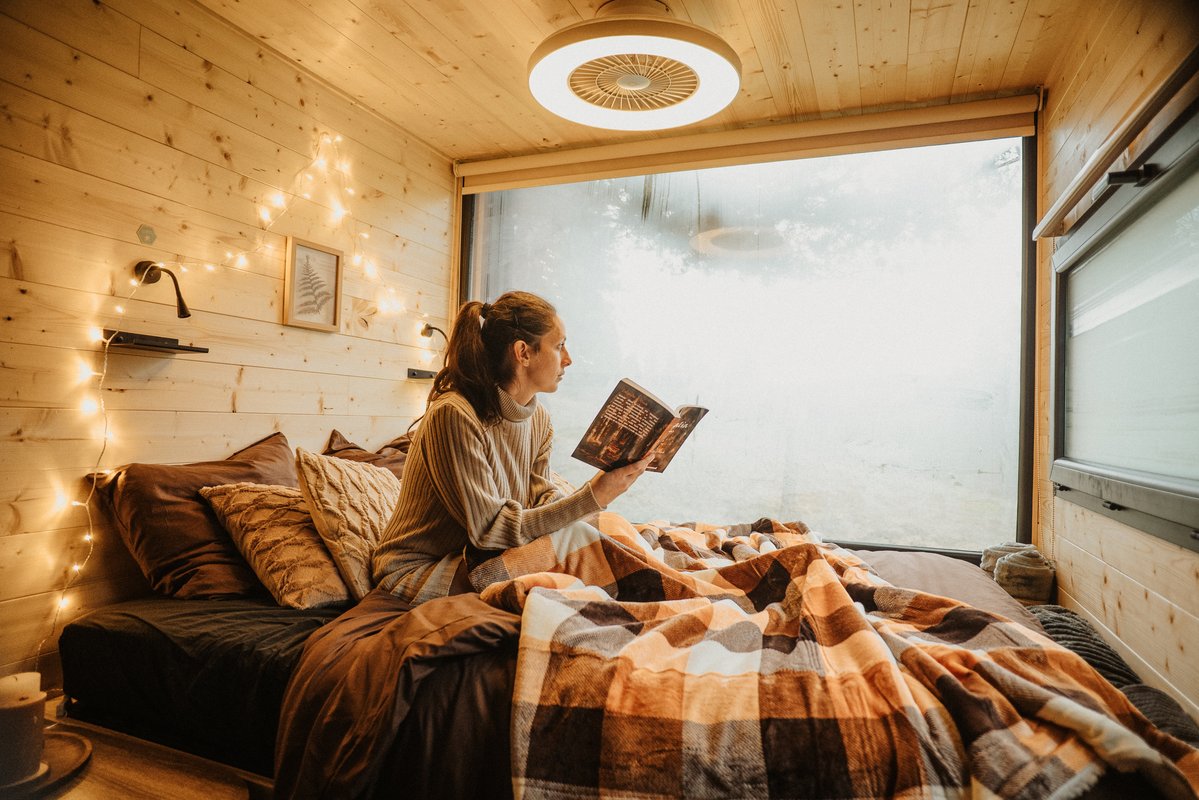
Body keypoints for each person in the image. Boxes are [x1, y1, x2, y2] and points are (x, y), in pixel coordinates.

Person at [373, 291, 652, 605]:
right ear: (523, 352)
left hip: (478, 557)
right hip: (421, 570)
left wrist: (595, 503)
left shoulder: (539, 419)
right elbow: (490, 531)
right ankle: (668, 596)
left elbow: (542, 497)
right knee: (583, 543)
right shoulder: (454, 415)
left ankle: (670, 583)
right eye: (559, 345)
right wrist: (594, 496)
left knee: (610, 526)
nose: (568, 358)